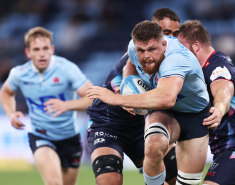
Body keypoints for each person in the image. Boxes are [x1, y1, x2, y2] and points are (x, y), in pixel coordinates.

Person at [87, 20, 211, 185]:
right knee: (150, 147)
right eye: (141, 50)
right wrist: (127, 85)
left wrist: (117, 99)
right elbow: (131, 61)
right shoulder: (134, 47)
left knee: (181, 181)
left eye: (152, 49)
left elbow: (166, 98)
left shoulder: (176, 59)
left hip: (191, 115)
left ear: (164, 45)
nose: (146, 56)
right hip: (109, 123)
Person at [0, 26, 93, 185]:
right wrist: (11, 113)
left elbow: (92, 98)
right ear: (28, 53)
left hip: (70, 137)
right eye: (36, 49)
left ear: (52, 49)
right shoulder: (20, 73)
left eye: (45, 48)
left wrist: (67, 105)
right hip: (40, 136)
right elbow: (6, 92)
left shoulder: (67, 69)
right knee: (53, 182)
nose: (41, 53)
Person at [177, 20, 235, 185]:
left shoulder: (217, 66)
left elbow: (224, 88)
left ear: (196, 46)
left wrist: (219, 108)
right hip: (233, 150)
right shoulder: (202, 70)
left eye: (181, 49)